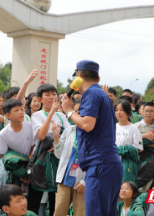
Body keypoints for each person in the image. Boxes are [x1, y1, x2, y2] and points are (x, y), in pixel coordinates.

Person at [61, 60, 123, 216]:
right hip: (108, 164)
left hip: (100, 165)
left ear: (78, 77)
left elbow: (87, 124)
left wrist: (69, 111)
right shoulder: (102, 94)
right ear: (98, 78)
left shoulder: (91, 93)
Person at [29, 83, 70, 215]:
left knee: (55, 201)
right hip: (41, 161)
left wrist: (57, 143)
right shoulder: (37, 116)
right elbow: (41, 135)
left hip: (58, 160)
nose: (52, 97)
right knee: (35, 198)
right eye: (47, 95)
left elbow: (68, 135)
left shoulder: (62, 116)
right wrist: (51, 112)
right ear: (40, 99)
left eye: (54, 94)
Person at [52, 100, 85, 216]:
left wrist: (85, 181)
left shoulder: (93, 133)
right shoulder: (69, 130)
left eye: (81, 111)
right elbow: (59, 155)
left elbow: (96, 160)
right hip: (65, 178)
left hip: (82, 181)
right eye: (76, 111)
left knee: (80, 212)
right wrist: (56, 138)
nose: (79, 114)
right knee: (59, 211)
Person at [0, 99, 34, 186]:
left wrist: (28, 167)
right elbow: (3, 155)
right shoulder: (3, 133)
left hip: (32, 166)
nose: (21, 112)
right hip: (15, 170)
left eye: (21, 109)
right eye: (16, 110)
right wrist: (19, 172)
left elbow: (33, 146)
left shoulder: (30, 127)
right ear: (8, 115)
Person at [115, 99, 143, 183]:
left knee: (125, 190)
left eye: (122, 110)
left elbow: (139, 149)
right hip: (112, 164)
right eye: (116, 110)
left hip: (127, 166)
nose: (118, 112)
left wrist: (120, 150)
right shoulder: (112, 127)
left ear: (128, 112)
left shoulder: (133, 128)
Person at [135, 102, 154, 191]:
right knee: (135, 189)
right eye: (146, 111)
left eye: (151, 111)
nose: (148, 113)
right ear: (142, 112)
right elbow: (132, 142)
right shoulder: (136, 126)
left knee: (152, 190)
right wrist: (144, 136)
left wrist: (140, 140)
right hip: (138, 160)